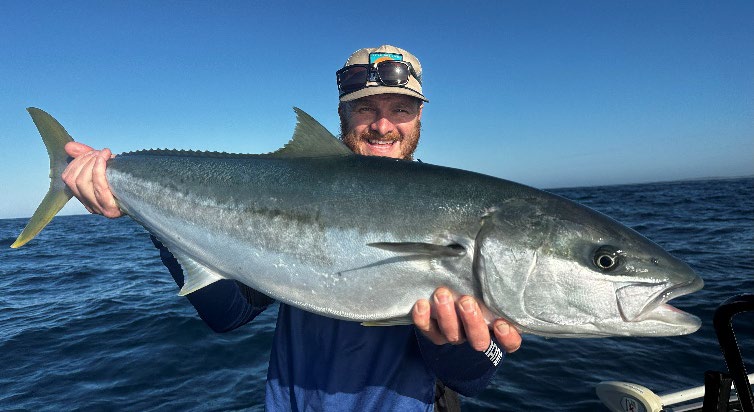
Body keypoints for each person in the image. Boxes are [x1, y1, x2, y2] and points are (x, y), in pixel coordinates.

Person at [61, 45, 523, 411]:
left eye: (400, 109)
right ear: (342, 115)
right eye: (365, 109)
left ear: (419, 117)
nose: (383, 126)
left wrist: (450, 342)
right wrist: (154, 211)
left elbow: (471, 379)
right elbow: (227, 314)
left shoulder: (462, 212)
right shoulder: (292, 194)